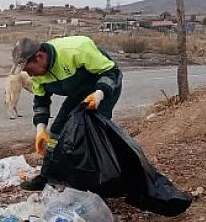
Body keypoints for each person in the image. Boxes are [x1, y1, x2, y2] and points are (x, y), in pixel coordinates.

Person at [10, 36, 123, 191]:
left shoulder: (75, 50)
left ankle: (101, 182)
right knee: (57, 130)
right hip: (78, 91)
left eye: (28, 69)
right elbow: (41, 100)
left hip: (104, 84)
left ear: (39, 57)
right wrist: (40, 129)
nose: (29, 75)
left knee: (92, 131)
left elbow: (112, 71)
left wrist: (99, 94)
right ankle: (46, 176)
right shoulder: (38, 75)